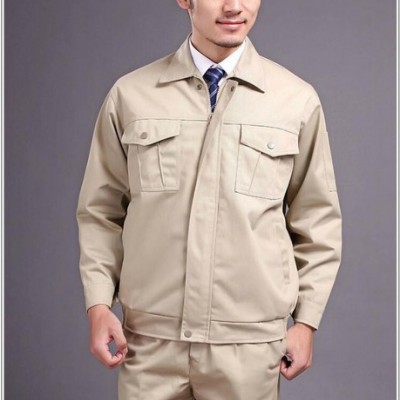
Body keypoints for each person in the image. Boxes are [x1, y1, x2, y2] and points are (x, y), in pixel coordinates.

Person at [76, 0, 342, 399]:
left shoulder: (295, 100)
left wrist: (306, 322)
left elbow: (318, 221)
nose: (234, 6)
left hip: (248, 349)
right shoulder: (131, 95)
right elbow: (101, 213)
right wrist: (98, 305)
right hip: (150, 344)